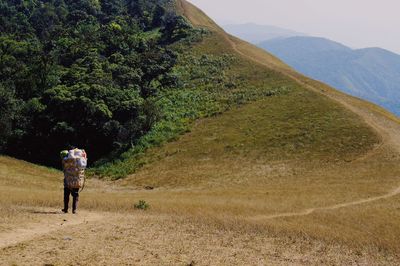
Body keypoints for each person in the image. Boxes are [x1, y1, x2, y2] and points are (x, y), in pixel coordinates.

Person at [60, 147, 87, 214]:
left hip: (68, 181)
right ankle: (74, 210)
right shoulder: (79, 160)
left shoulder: (65, 161)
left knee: (66, 195)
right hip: (76, 181)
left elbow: (64, 169)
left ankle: (65, 209)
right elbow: (83, 166)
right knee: (75, 195)